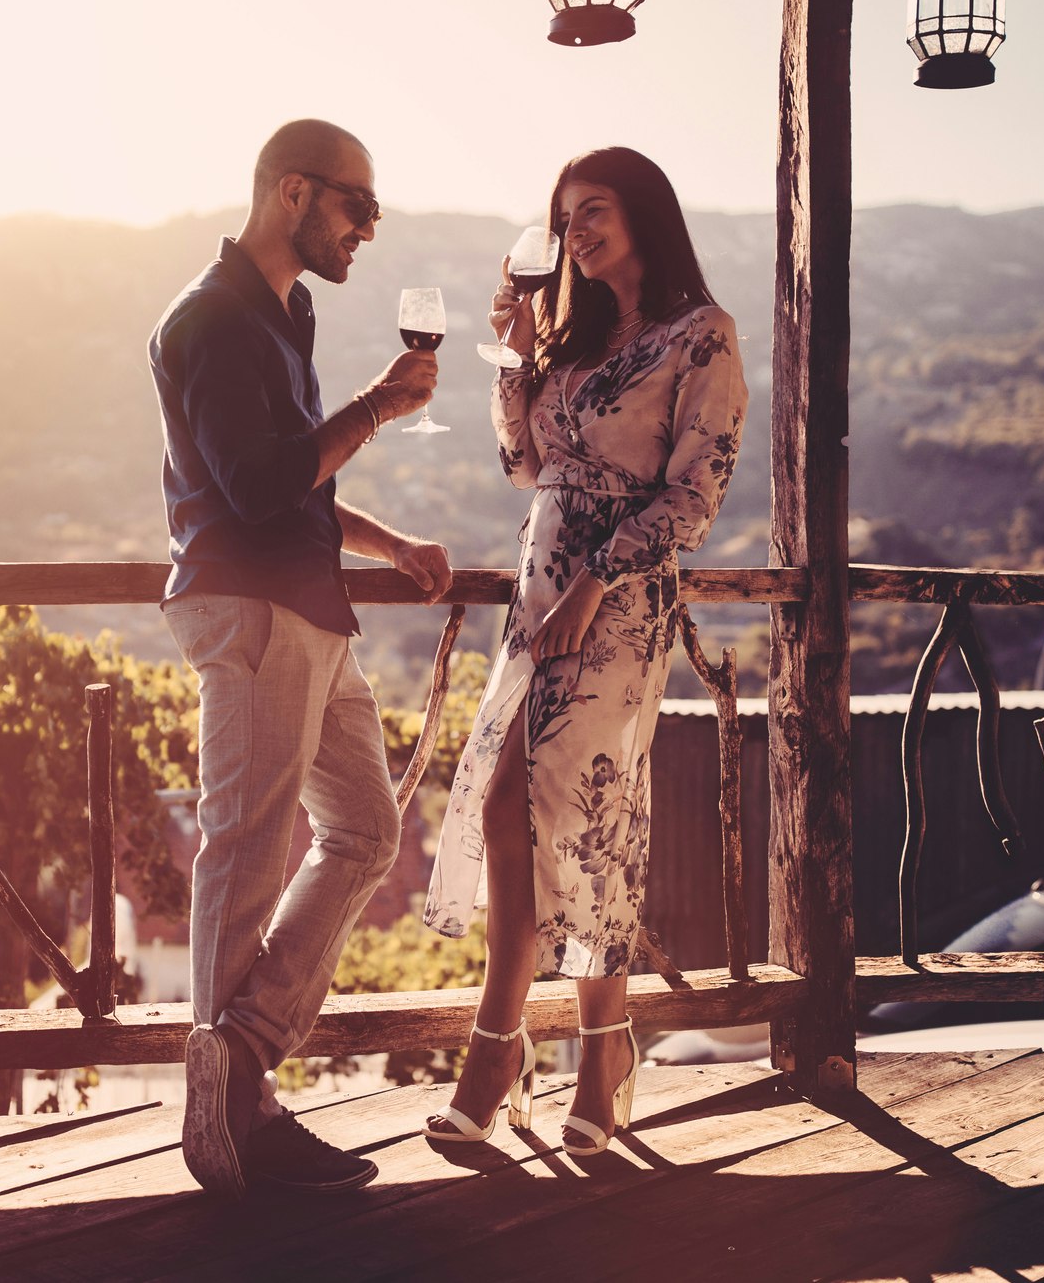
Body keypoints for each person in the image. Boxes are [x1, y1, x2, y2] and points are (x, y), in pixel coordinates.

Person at [420, 147, 748, 1157]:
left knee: (578, 810)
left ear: (643, 213)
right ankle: (584, 1045)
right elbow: (526, 465)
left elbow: (696, 495)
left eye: (593, 212)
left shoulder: (705, 337)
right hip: (538, 590)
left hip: (614, 601)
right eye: (564, 221)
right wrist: (519, 356)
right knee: (514, 803)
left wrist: (597, 580)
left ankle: (514, 1046)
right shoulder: (581, 336)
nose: (575, 235)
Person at [150, 119, 454, 1198]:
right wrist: (378, 403)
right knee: (244, 846)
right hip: (254, 609)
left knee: (367, 830)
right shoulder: (211, 320)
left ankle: (237, 1053)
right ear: (291, 193)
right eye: (355, 206)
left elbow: (300, 478)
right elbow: (262, 487)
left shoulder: (286, 310)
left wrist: (390, 544)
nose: (368, 228)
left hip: (311, 606)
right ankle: (239, 1109)